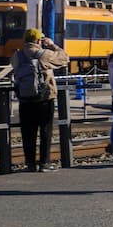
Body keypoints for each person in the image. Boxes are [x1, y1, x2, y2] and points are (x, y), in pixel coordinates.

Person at [10, 28, 69, 172]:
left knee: (27, 133)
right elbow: (65, 58)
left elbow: (15, 71)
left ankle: (30, 164)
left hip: (25, 100)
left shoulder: (17, 56)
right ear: (38, 41)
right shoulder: (45, 54)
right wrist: (53, 45)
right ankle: (44, 163)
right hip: (44, 100)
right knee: (45, 131)